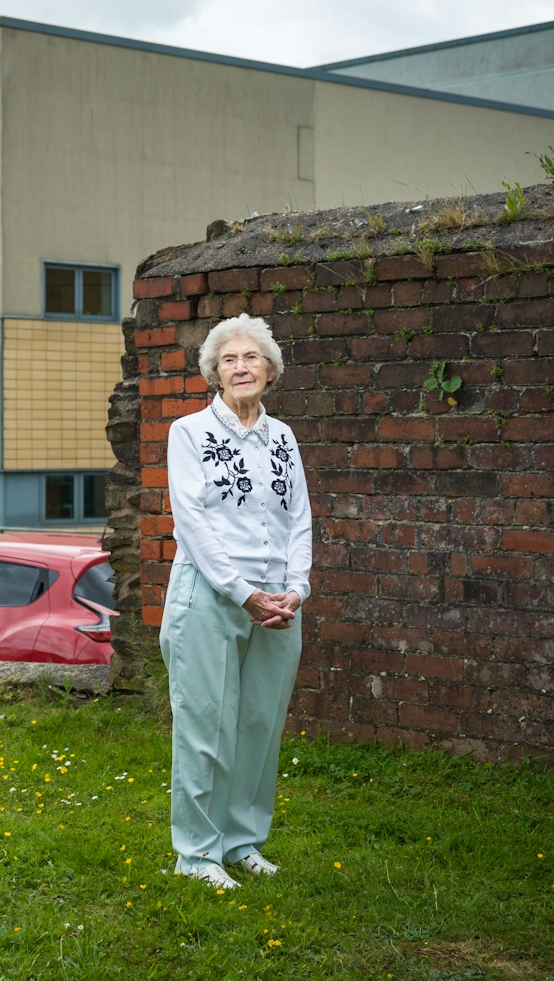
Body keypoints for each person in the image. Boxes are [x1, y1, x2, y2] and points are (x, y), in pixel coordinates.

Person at [160, 312, 312, 890]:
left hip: (279, 604)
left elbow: (299, 518)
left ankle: (242, 841)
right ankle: (196, 854)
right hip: (211, 597)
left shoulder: (283, 437)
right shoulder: (190, 433)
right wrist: (244, 593)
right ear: (214, 374)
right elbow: (192, 523)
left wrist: (296, 588)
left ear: (270, 371)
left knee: (257, 724)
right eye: (229, 359)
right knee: (206, 725)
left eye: (252, 358)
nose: (241, 366)